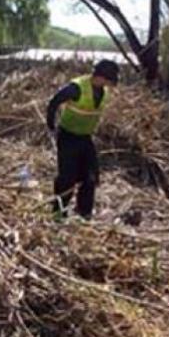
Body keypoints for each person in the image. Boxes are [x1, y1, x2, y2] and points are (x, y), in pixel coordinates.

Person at [46, 60, 119, 220]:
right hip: (68, 137)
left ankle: (84, 213)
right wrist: (51, 126)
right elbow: (54, 102)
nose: (110, 84)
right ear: (101, 77)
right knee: (67, 178)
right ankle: (58, 214)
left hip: (85, 138)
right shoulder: (76, 88)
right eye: (109, 80)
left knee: (90, 177)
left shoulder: (103, 91)